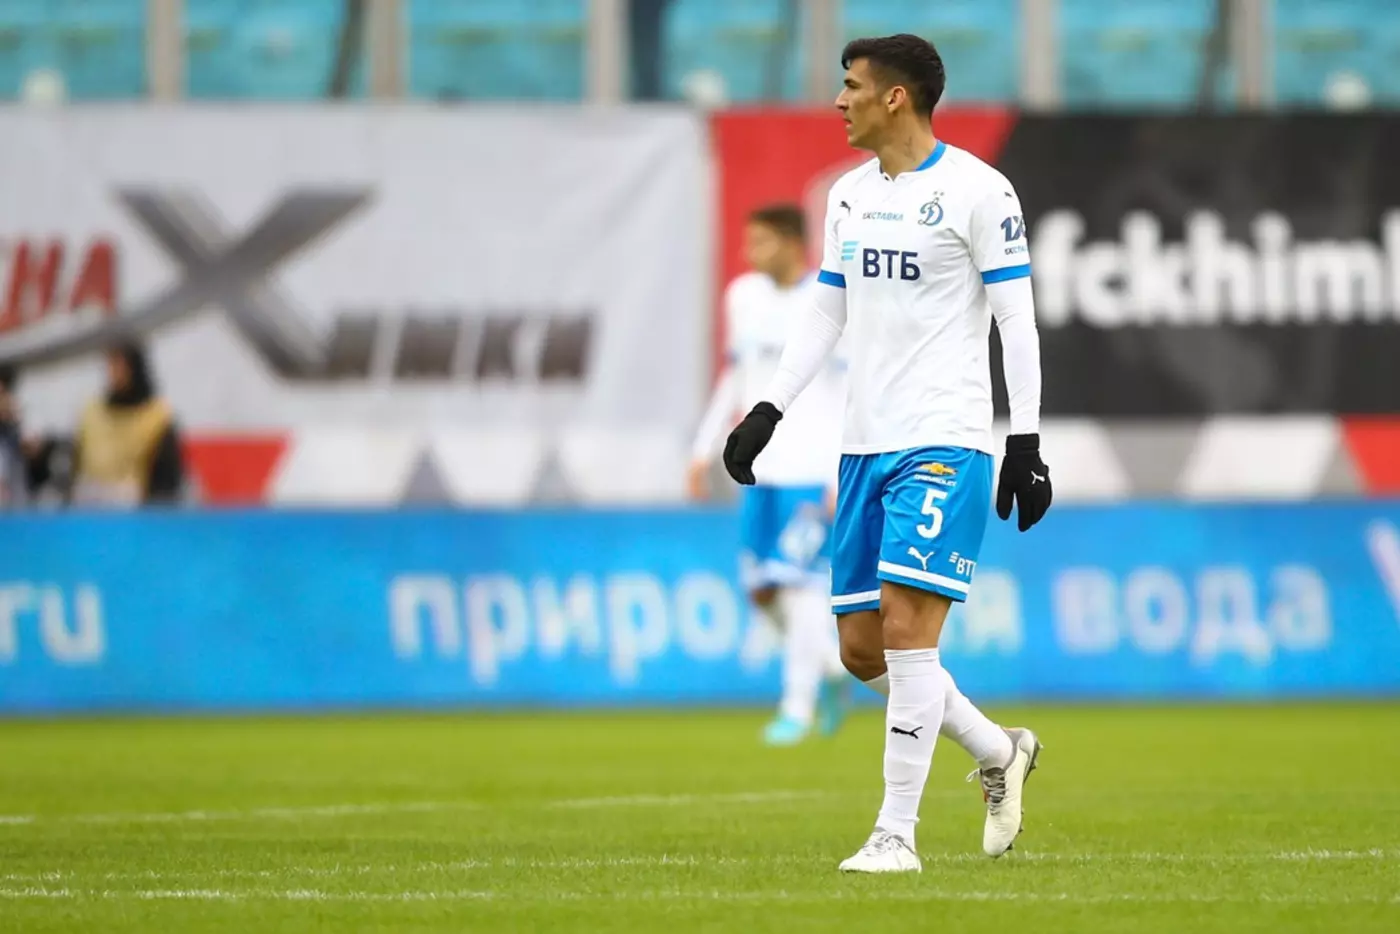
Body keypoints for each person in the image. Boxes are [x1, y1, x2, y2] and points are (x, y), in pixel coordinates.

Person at [722, 35, 1053, 871]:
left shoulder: (980, 190)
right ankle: (999, 750)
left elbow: (1016, 319)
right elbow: (826, 312)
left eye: (852, 86)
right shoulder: (848, 196)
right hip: (863, 445)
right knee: (862, 650)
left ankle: (894, 835)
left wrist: (1025, 440)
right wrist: (768, 408)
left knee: (908, 632)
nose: (839, 101)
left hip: (944, 440)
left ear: (895, 97)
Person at [690, 204, 851, 747]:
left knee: (799, 586)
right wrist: (703, 447)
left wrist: (842, 471)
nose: (749, 253)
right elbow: (736, 377)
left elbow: (853, 391)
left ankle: (797, 709)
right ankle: (830, 667)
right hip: (760, 470)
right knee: (759, 588)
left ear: (791, 242)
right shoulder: (742, 297)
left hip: (813, 469)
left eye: (760, 242)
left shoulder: (831, 298)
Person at [72, 343, 185, 507]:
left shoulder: (157, 416)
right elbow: (76, 459)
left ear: (135, 369)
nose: (113, 373)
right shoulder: (92, 411)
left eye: (120, 367)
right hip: (89, 500)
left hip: (135, 504)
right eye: (111, 366)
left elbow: (167, 476)